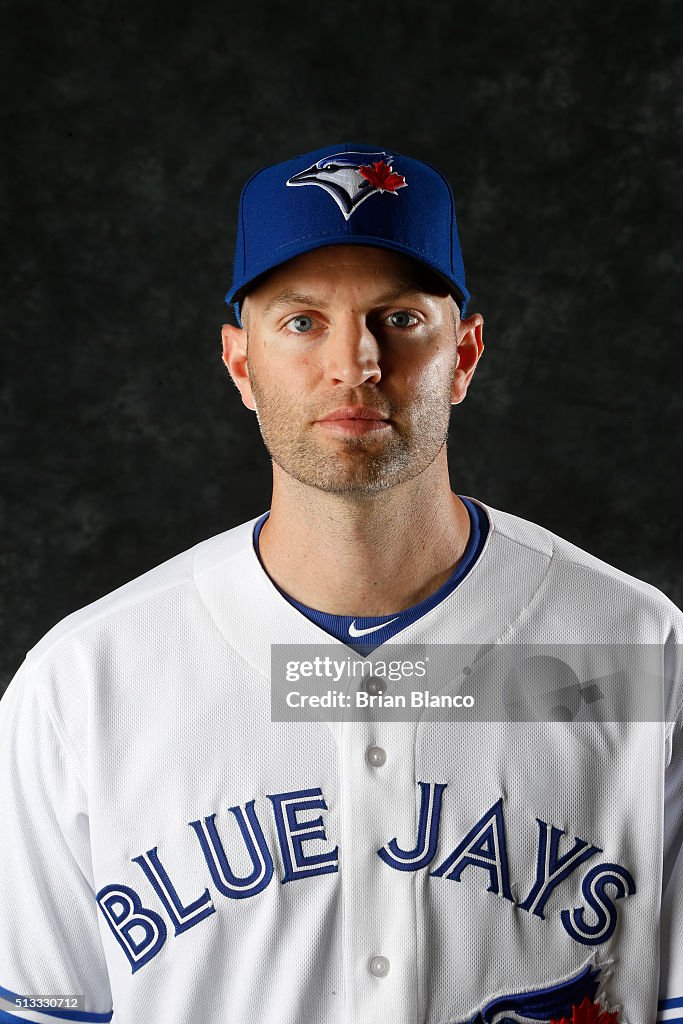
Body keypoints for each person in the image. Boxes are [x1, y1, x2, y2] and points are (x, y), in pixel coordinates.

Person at [0, 143, 681, 1024]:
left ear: (464, 355)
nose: (354, 362)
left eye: (398, 319)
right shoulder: (85, 683)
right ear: (240, 364)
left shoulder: (630, 652)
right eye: (301, 321)